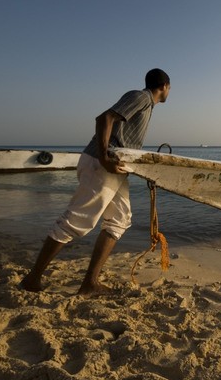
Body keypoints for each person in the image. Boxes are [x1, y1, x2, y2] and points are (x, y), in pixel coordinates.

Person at [20, 68, 171, 296]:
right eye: (170, 89)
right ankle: (32, 279)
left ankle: (90, 282)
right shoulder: (140, 97)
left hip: (115, 167)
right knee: (77, 221)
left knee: (120, 220)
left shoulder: (147, 105)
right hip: (102, 164)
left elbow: (123, 137)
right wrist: (104, 157)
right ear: (165, 86)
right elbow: (104, 118)